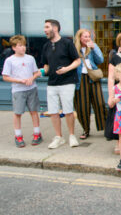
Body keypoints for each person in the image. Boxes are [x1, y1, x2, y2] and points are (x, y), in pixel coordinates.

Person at [41, 19, 81, 149]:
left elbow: (77, 61)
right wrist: (41, 71)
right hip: (51, 83)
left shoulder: (67, 43)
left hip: (67, 82)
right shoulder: (46, 46)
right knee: (53, 111)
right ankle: (59, 137)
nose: (45, 30)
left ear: (55, 28)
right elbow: (46, 64)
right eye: (44, 27)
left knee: (68, 110)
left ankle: (71, 135)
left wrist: (66, 69)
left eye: (47, 27)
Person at [2, 35, 42, 147]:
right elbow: (5, 77)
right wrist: (19, 81)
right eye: (20, 46)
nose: (23, 48)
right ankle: (18, 136)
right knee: (17, 113)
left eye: (24, 45)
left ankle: (37, 133)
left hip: (31, 88)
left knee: (33, 111)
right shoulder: (9, 60)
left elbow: (36, 73)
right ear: (14, 47)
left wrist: (32, 79)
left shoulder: (30, 58)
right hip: (18, 90)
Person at [74, 29, 107, 139]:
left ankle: (106, 128)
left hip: (93, 77)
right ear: (79, 38)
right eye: (85, 36)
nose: (87, 38)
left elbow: (101, 60)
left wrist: (94, 48)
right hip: (80, 78)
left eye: (88, 36)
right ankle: (86, 129)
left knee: (100, 103)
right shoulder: (74, 48)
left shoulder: (93, 46)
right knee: (82, 106)